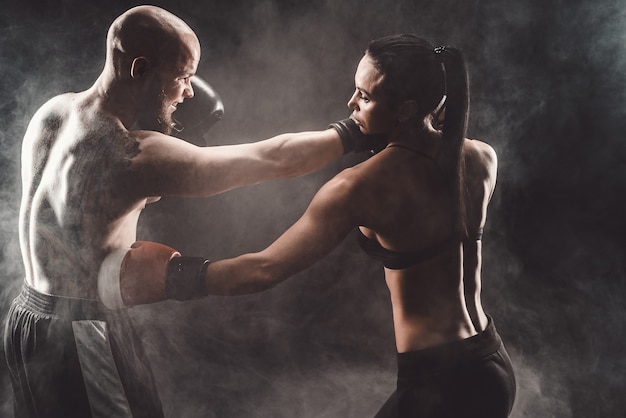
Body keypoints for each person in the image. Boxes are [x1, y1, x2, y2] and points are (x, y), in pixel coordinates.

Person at [105, 34, 516, 417]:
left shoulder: (358, 187)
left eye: (365, 96)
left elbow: (264, 269)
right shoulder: (481, 157)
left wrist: (174, 276)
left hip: (439, 386)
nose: (350, 101)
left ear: (406, 109)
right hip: (491, 361)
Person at [3, 5, 380, 418]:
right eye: (182, 77)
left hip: (26, 319)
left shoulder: (53, 112)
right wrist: (355, 131)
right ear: (140, 68)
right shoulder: (132, 156)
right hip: (83, 331)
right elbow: (272, 159)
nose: (189, 92)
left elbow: (82, 203)